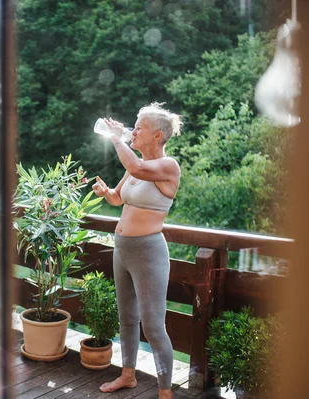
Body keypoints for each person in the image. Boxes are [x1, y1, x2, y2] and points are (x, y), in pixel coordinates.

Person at [91, 103, 182, 399]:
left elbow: (137, 168)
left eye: (139, 127)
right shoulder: (136, 165)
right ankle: (127, 376)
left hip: (148, 252)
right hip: (123, 249)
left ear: (157, 135)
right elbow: (119, 198)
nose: (134, 129)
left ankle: (165, 391)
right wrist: (107, 193)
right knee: (127, 317)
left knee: (154, 326)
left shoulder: (167, 166)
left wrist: (116, 138)